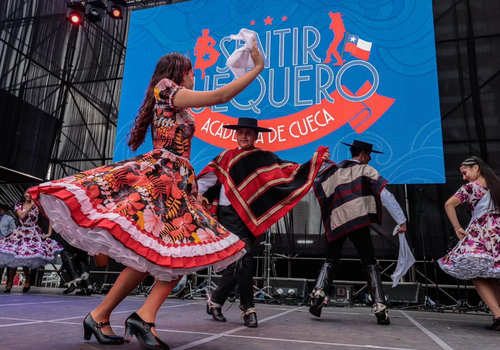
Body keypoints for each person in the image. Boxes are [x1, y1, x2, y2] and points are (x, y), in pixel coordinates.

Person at [29, 38, 265, 349]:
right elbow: (220, 95)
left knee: (154, 259)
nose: (195, 76)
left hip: (175, 181)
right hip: (162, 179)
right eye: (191, 71)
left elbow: (209, 103)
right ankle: (143, 317)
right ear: (177, 72)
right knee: (177, 255)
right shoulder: (166, 87)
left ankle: (101, 315)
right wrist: (258, 68)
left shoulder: (175, 96)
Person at [197, 117, 329, 327]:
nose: (243, 136)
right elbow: (205, 181)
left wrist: (315, 162)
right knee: (245, 254)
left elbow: (286, 172)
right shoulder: (226, 157)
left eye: (248, 133)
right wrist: (192, 201)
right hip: (228, 213)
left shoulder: (264, 157)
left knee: (237, 262)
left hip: (249, 214)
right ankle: (248, 308)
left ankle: (215, 301)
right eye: (240, 132)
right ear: (236, 134)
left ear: (256, 136)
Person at [310, 140, 407, 325]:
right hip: (358, 221)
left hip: (338, 220)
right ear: (362, 154)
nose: (370, 159)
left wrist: (322, 162)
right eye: (369, 155)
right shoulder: (366, 170)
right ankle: (379, 306)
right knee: (369, 261)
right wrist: (401, 220)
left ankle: (317, 295)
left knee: (331, 259)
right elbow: (385, 195)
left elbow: (319, 182)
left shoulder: (336, 170)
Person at [438, 156, 500, 330]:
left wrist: (457, 227)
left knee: (475, 273)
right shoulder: (497, 185)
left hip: (480, 233)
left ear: (476, 168)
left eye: (465, 172)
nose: (464, 177)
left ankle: (498, 315)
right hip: (496, 233)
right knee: (492, 276)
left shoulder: (471, 188)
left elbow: (449, 204)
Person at [0, 191, 63, 293]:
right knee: (14, 256)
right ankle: (9, 283)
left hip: (33, 233)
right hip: (21, 232)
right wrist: (32, 205)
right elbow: (22, 216)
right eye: (27, 193)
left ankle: (27, 279)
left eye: (31, 193)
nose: (29, 195)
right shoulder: (18, 205)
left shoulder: (39, 205)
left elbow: (50, 216)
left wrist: (49, 233)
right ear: (24, 194)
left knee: (25, 256)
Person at [0, 203, 16, 283]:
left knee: (6, 262)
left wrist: (5, 237)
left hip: (5, 241)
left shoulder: (9, 218)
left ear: (5, 210)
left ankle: (9, 283)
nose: (0, 210)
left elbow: (13, 229)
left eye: (2, 209)